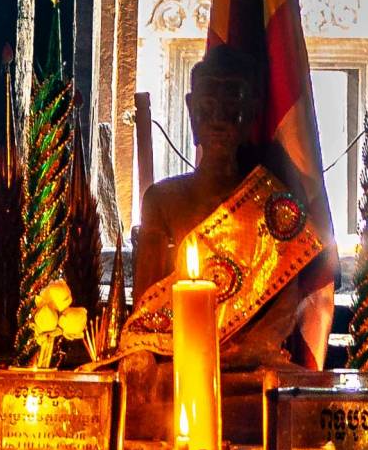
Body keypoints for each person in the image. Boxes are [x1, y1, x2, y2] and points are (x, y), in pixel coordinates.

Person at [130, 42, 319, 367]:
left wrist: (247, 350)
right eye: (208, 106)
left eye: (233, 107)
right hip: (178, 359)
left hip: (249, 366)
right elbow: (146, 309)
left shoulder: (273, 203)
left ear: (253, 112)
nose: (219, 119)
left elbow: (285, 308)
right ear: (191, 109)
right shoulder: (162, 200)